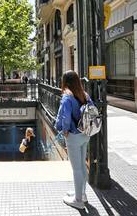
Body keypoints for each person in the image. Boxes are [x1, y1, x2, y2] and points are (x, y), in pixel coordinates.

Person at [55, 70, 93, 210]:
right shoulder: (84, 94)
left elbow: (65, 117)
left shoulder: (66, 96)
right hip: (85, 134)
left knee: (76, 168)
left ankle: (78, 200)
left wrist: (65, 131)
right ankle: (82, 194)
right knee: (82, 166)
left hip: (73, 136)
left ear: (65, 82)